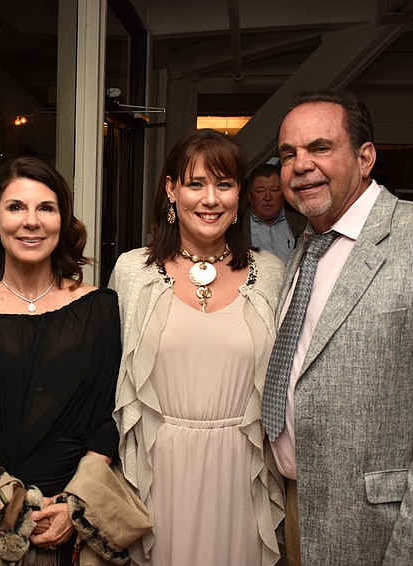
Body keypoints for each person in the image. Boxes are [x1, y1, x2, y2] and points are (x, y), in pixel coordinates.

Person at [262, 90, 413, 565]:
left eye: (320, 148)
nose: (300, 166)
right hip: (295, 505)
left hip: (384, 530)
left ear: (365, 157)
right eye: (289, 154)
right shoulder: (305, 246)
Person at [0, 157, 124, 565]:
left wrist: (74, 506)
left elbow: (107, 417)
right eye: (16, 207)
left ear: (63, 219)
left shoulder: (100, 309)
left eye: (46, 208)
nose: (31, 222)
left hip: (72, 521)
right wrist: (12, 504)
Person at [110, 129, 286, 566]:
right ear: (171, 189)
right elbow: (106, 377)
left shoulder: (271, 273)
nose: (210, 199)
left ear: (240, 195)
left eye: (224, 185)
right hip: (158, 469)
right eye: (196, 184)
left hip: (242, 470)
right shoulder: (133, 271)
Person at [240, 163, 306, 263]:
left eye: (274, 190)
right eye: (260, 191)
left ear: (284, 193)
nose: (268, 197)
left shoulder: (303, 224)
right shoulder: (237, 228)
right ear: (249, 194)